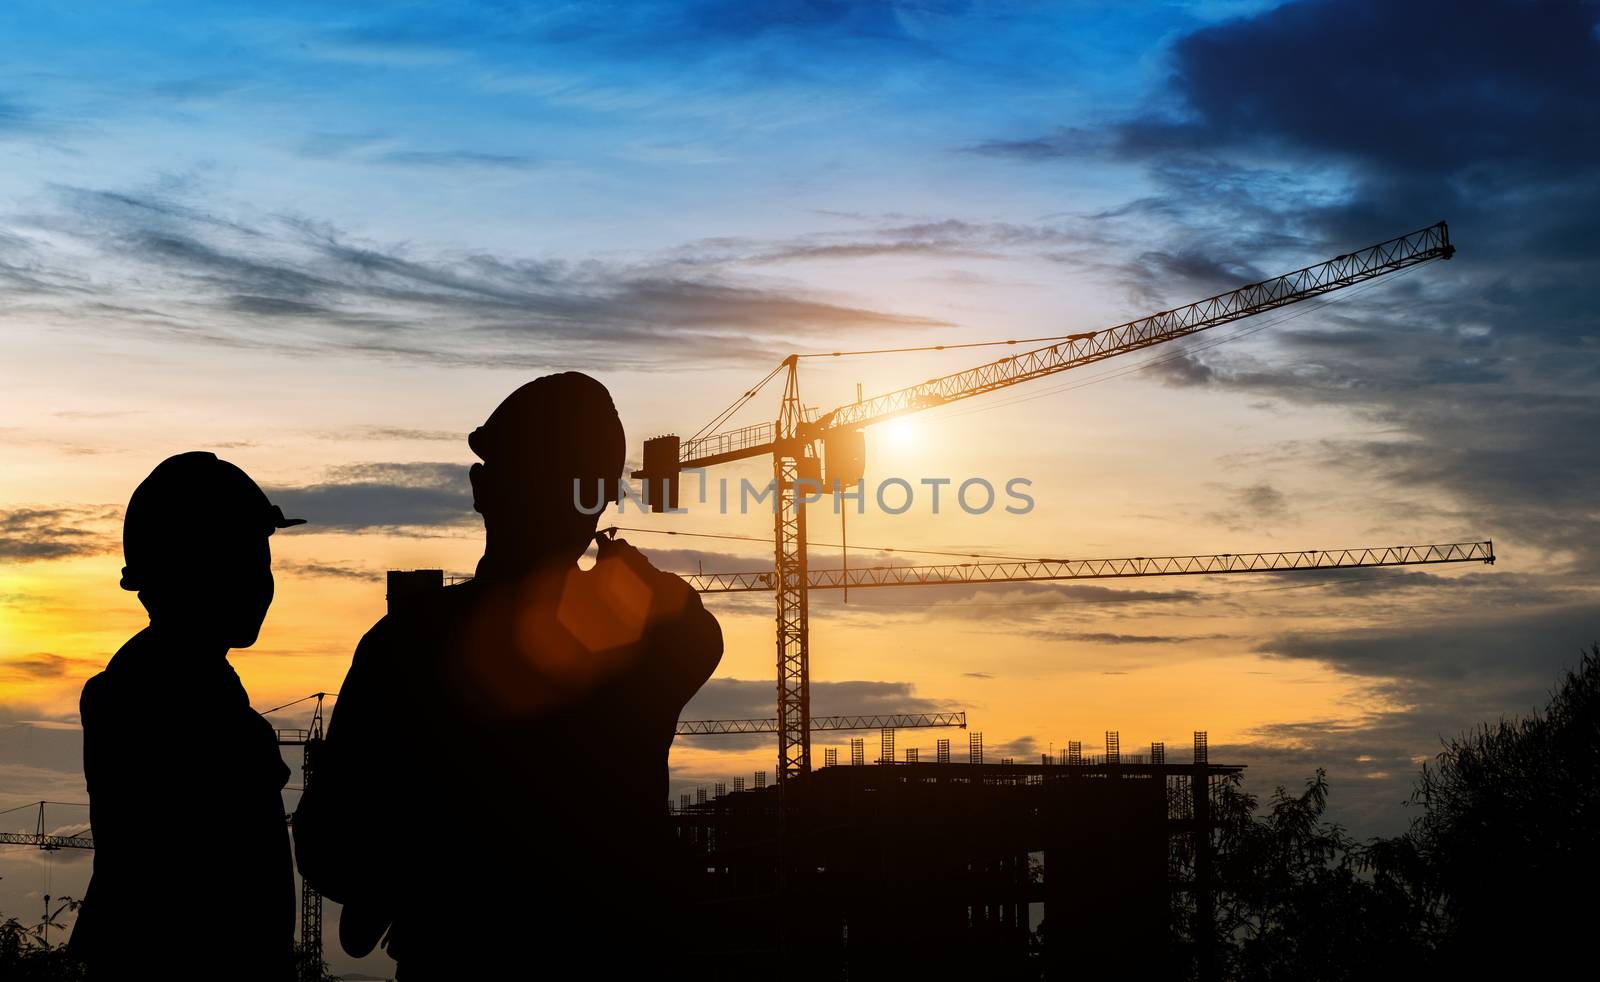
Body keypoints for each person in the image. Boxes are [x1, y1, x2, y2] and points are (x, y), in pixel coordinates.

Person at [293, 372, 723, 978]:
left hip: (464, 960)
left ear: (484, 489)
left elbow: (327, 845)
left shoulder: (408, 646)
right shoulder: (647, 641)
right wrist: (628, 572)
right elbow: (695, 629)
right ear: (596, 498)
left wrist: (415, 874)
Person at [70, 451, 304, 980]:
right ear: (192, 571)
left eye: (262, 562)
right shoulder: (167, 699)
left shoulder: (171, 686)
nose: (262, 583)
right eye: (245, 560)